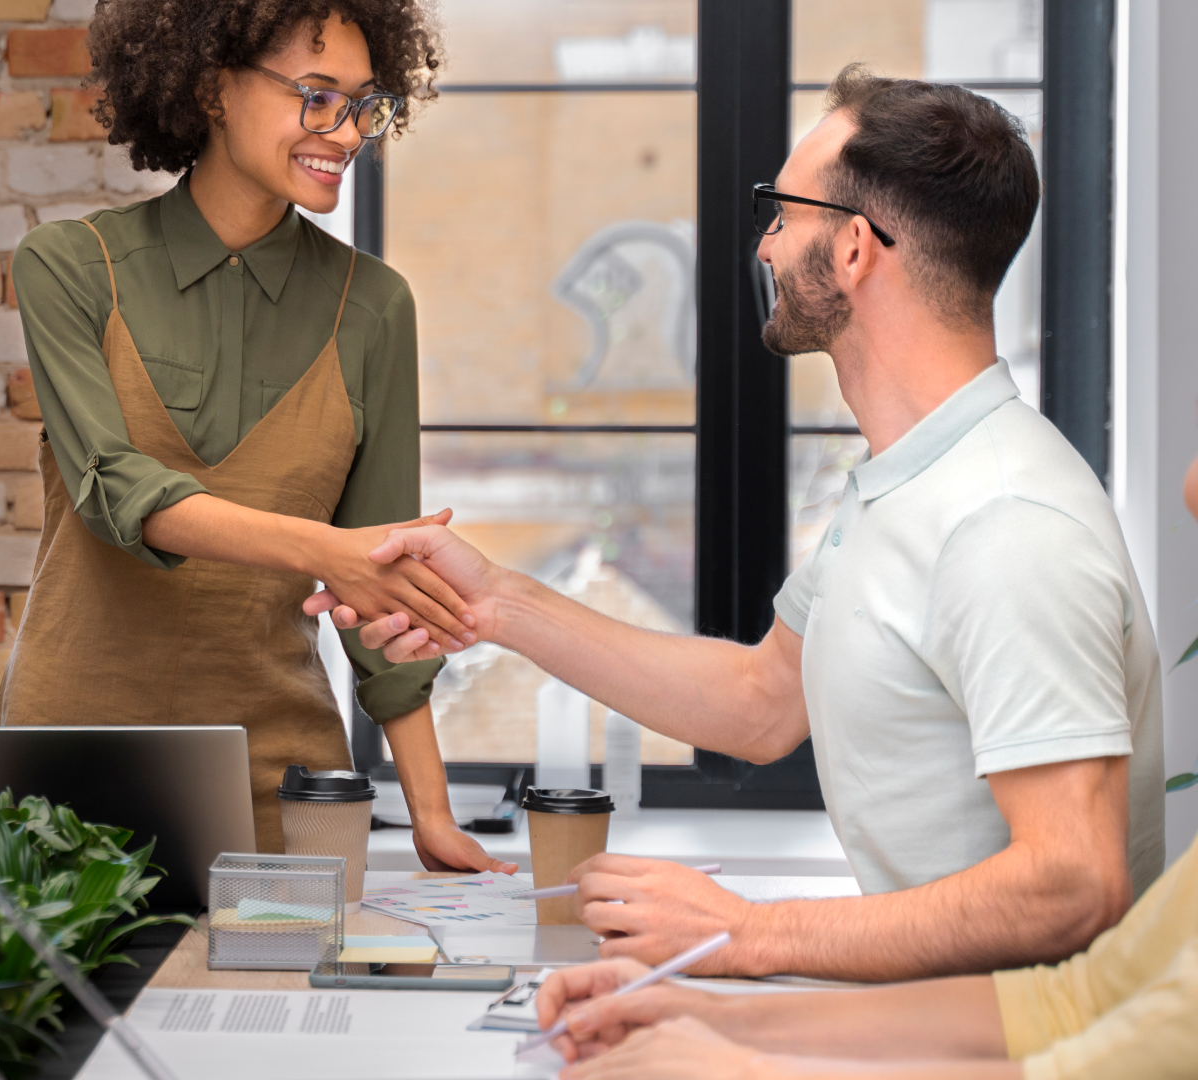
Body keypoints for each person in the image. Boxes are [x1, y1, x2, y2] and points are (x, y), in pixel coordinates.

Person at [313, 67, 1163, 980]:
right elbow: (762, 701)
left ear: (853, 252)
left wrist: (750, 934)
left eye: (784, 210)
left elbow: (1071, 884)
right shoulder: (905, 479)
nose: (764, 245)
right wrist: (499, 605)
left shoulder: (1007, 523)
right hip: (928, 1031)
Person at [0, 0, 511, 872]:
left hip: (286, 789)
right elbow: (117, 490)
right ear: (210, 88)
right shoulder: (67, 267)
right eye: (316, 96)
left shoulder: (374, 308)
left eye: (363, 103)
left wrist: (431, 813)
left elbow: (381, 585)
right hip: (67, 777)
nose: (347, 134)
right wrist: (329, 549)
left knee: (280, 1010)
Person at [525, 435, 1198, 1080]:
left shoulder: (1010, 520)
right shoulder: (901, 486)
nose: (1191, 487)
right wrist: (711, 1020)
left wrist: (751, 1047)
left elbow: (1079, 943)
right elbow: (1073, 1004)